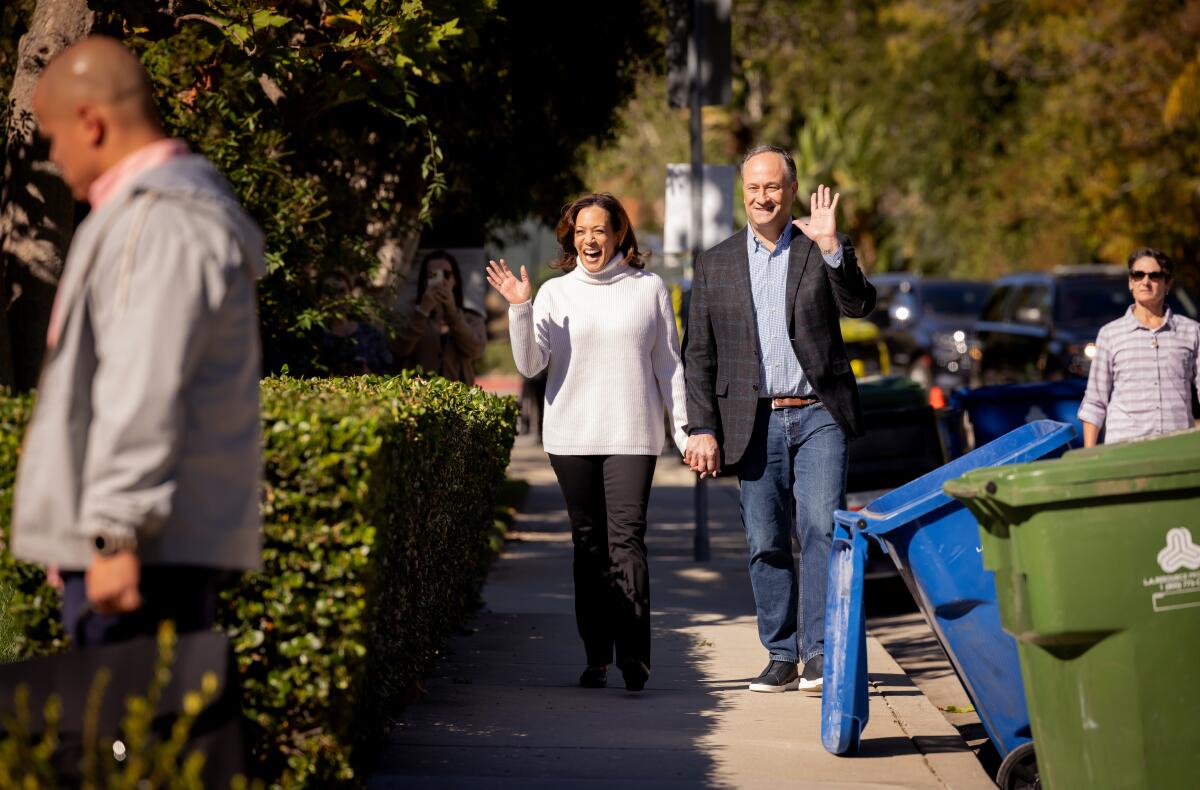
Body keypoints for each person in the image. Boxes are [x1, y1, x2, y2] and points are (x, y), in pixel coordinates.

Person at [10, 36, 265, 647]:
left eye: (53, 136)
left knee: (130, 734)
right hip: (152, 548)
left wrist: (113, 535)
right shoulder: (156, 215)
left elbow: (142, 384)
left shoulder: (159, 221)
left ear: (91, 124)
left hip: (145, 556)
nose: (53, 154)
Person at [683, 145, 876, 693]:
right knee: (765, 539)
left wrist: (833, 247)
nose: (762, 197)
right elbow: (698, 354)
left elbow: (860, 306)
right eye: (753, 188)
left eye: (773, 187)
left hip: (819, 414)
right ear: (741, 193)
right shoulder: (715, 262)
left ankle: (817, 653)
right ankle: (780, 653)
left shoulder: (818, 248)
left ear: (791, 191)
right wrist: (701, 426)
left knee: (818, 528)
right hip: (753, 420)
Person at [486, 193, 687, 692]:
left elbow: (669, 366)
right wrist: (519, 308)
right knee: (589, 545)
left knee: (627, 541)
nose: (590, 240)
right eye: (580, 231)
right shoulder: (555, 293)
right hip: (571, 435)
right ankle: (597, 655)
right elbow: (531, 365)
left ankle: (634, 656)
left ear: (619, 234)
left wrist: (685, 432)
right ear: (570, 238)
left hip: (633, 433)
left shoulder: (649, 288)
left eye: (599, 230)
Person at [1079, 247, 1200, 447]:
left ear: (1167, 283)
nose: (1145, 281)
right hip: (1124, 450)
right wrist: (1088, 457)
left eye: (1154, 276)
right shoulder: (1110, 335)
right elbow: (1094, 402)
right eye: (1138, 275)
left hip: (1178, 447)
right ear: (1130, 282)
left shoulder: (1191, 331)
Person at [393, 249, 487, 385]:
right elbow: (400, 349)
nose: (440, 281)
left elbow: (476, 351)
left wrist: (453, 315)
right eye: (433, 275)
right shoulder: (408, 313)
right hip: (416, 397)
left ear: (454, 280)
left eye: (446, 275)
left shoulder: (470, 316)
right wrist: (422, 312)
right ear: (424, 280)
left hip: (458, 398)